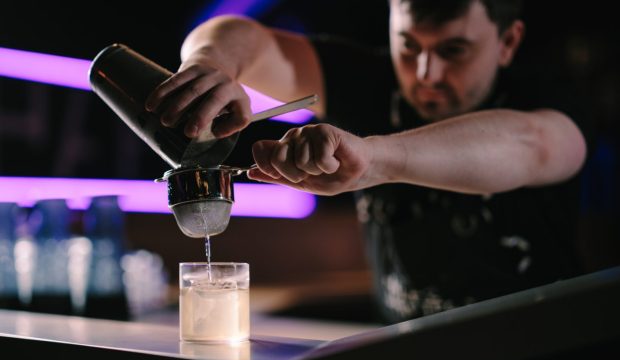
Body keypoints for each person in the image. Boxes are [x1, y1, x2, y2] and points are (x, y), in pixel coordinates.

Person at [145, 0, 587, 323]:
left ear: (507, 42)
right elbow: (246, 36)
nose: (426, 74)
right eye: (408, 46)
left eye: (453, 51)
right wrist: (210, 63)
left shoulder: (547, 98)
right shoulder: (367, 80)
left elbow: (536, 145)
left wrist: (374, 158)